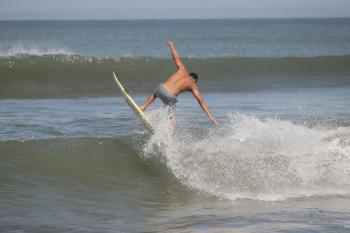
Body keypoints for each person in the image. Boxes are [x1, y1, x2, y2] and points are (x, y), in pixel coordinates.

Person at [139, 40, 219, 126]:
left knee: (155, 93)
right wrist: (211, 117)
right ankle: (170, 136)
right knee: (172, 117)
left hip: (160, 88)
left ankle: (143, 106)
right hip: (170, 96)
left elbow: (176, 58)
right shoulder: (192, 84)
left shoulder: (182, 69)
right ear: (195, 80)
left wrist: (172, 46)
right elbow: (201, 101)